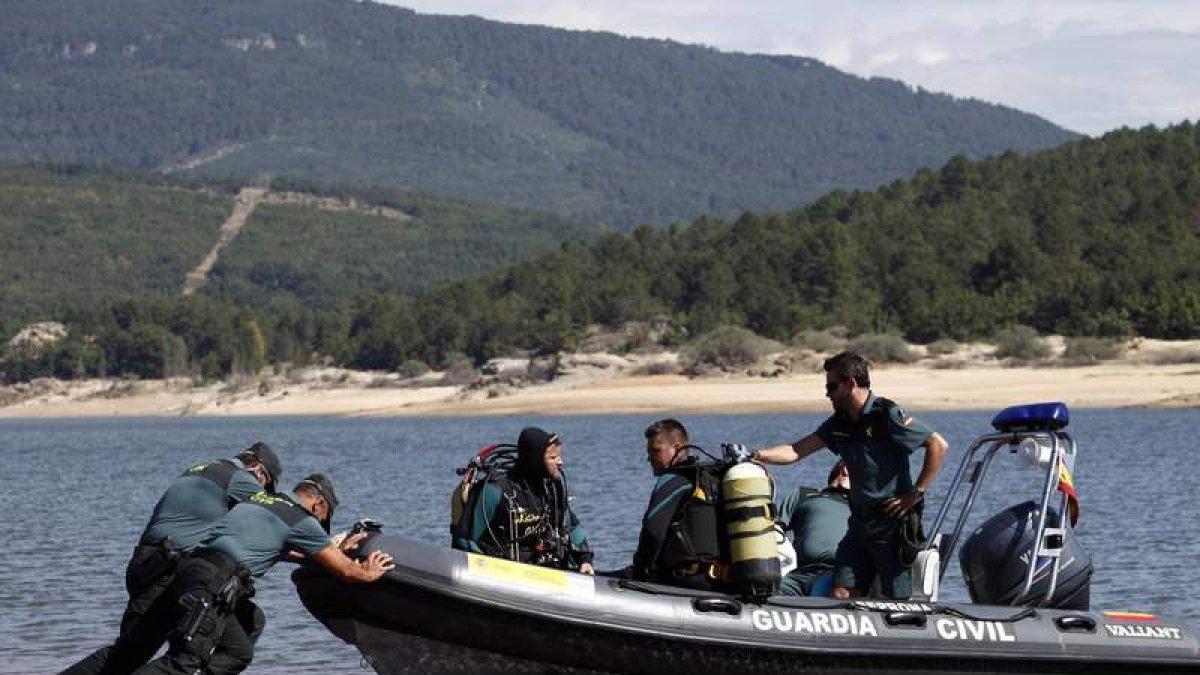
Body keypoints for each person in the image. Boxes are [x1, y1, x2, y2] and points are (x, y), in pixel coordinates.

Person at [129, 474, 392, 675]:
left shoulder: (259, 501)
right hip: (213, 581)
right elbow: (347, 571)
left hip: (188, 572)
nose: (319, 525)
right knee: (185, 661)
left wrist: (333, 551)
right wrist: (369, 571)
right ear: (318, 503)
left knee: (241, 644)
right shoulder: (301, 520)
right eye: (323, 518)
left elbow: (283, 551)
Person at [62, 442, 283, 675]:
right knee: (138, 655)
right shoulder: (238, 478)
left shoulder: (201, 468)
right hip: (173, 571)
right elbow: (274, 514)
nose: (262, 491)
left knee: (129, 655)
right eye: (265, 485)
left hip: (148, 564)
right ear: (258, 470)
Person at [753, 351, 947, 599]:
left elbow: (937, 445)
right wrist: (755, 455)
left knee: (896, 598)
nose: (827, 394)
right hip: (858, 524)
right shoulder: (840, 423)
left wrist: (916, 493)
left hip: (891, 523)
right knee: (842, 591)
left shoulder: (885, 415)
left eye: (832, 387)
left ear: (851, 384)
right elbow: (796, 450)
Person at [460, 427, 594, 574]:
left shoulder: (552, 489)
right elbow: (465, 540)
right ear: (535, 459)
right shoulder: (495, 492)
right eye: (553, 458)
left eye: (558, 456)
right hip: (502, 575)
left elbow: (571, 526)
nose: (560, 462)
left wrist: (585, 560)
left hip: (548, 571)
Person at [626, 419, 726, 591]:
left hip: (686, 582)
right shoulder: (709, 479)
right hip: (719, 581)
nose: (649, 458)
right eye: (649, 451)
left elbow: (653, 531)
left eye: (656, 450)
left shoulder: (673, 479)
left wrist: (640, 571)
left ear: (678, 448)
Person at [775, 460, 851, 596]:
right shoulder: (803, 495)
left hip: (835, 573)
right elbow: (775, 531)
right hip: (797, 576)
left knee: (821, 596)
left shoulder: (861, 507)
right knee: (765, 596)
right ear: (845, 471)